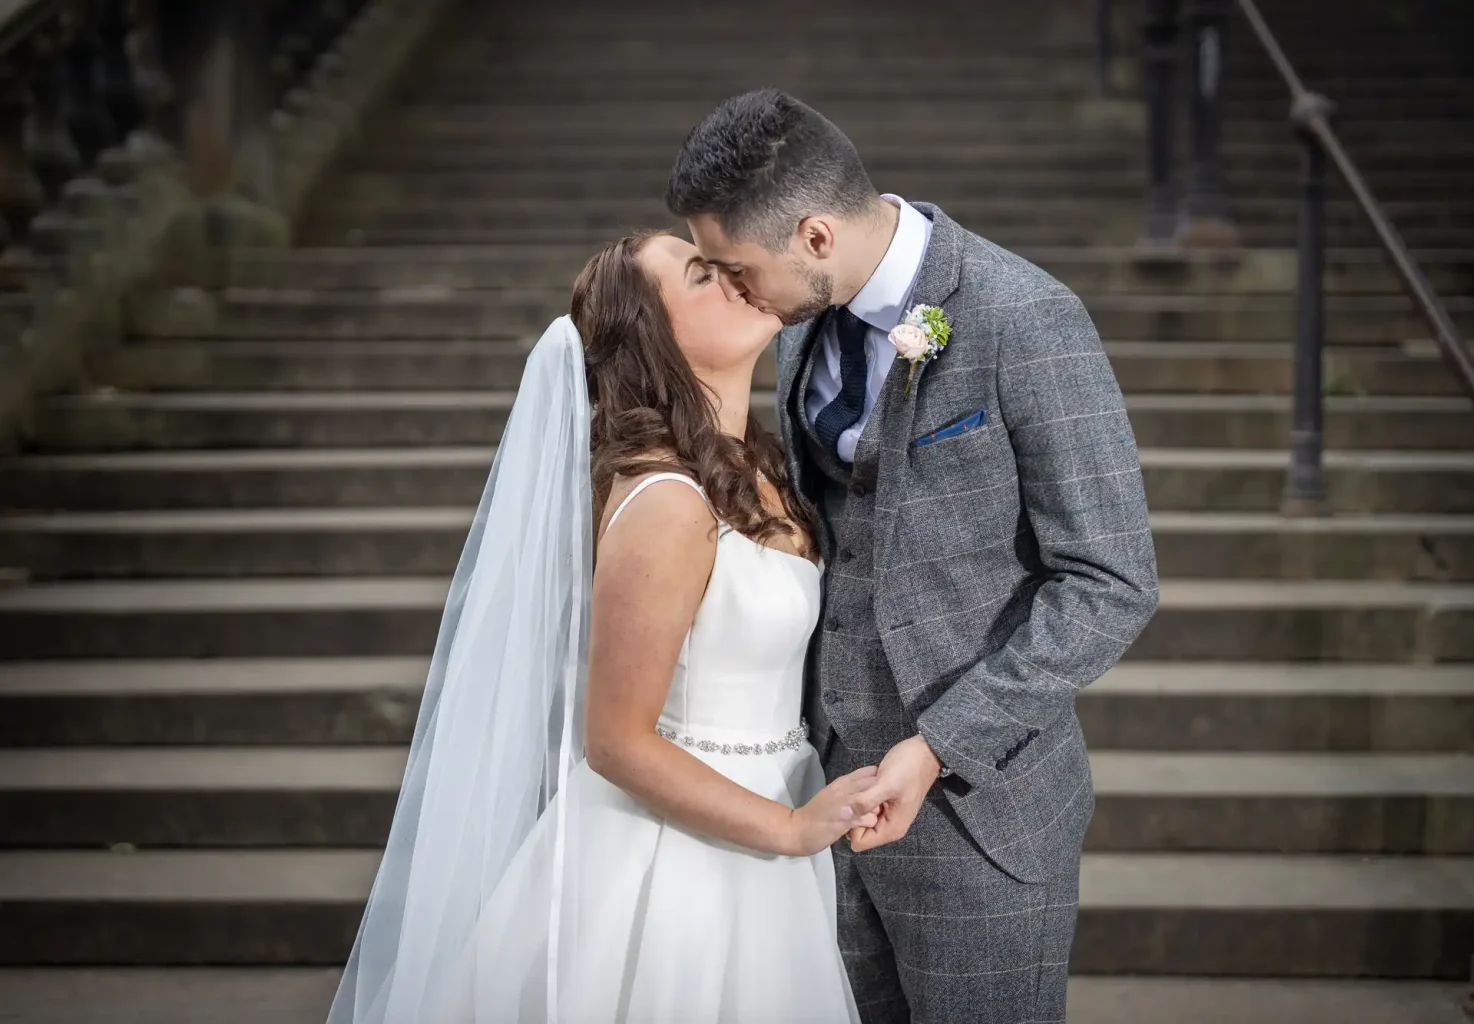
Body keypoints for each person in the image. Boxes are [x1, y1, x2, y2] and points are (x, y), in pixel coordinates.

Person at [666, 89, 1160, 1023]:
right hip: (820, 793)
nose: (730, 291)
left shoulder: (1026, 318)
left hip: (980, 815)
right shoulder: (799, 321)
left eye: (736, 270)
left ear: (814, 236)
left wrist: (939, 746)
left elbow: (1111, 581)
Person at [326, 231, 878, 1022]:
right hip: (676, 858)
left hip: (763, 824)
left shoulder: (761, 466)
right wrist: (789, 829)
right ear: (655, 338)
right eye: (703, 276)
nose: (735, 276)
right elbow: (616, 741)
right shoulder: (667, 502)